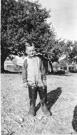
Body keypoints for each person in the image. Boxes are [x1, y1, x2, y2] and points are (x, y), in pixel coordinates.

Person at [22, 43, 50, 116]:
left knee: (43, 94)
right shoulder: (26, 60)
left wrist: (44, 79)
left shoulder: (39, 59)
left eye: (33, 50)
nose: (32, 52)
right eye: (30, 51)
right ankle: (32, 108)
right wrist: (24, 81)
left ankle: (44, 106)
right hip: (31, 81)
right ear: (26, 52)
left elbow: (43, 69)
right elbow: (24, 71)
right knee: (32, 96)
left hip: (40, 81)